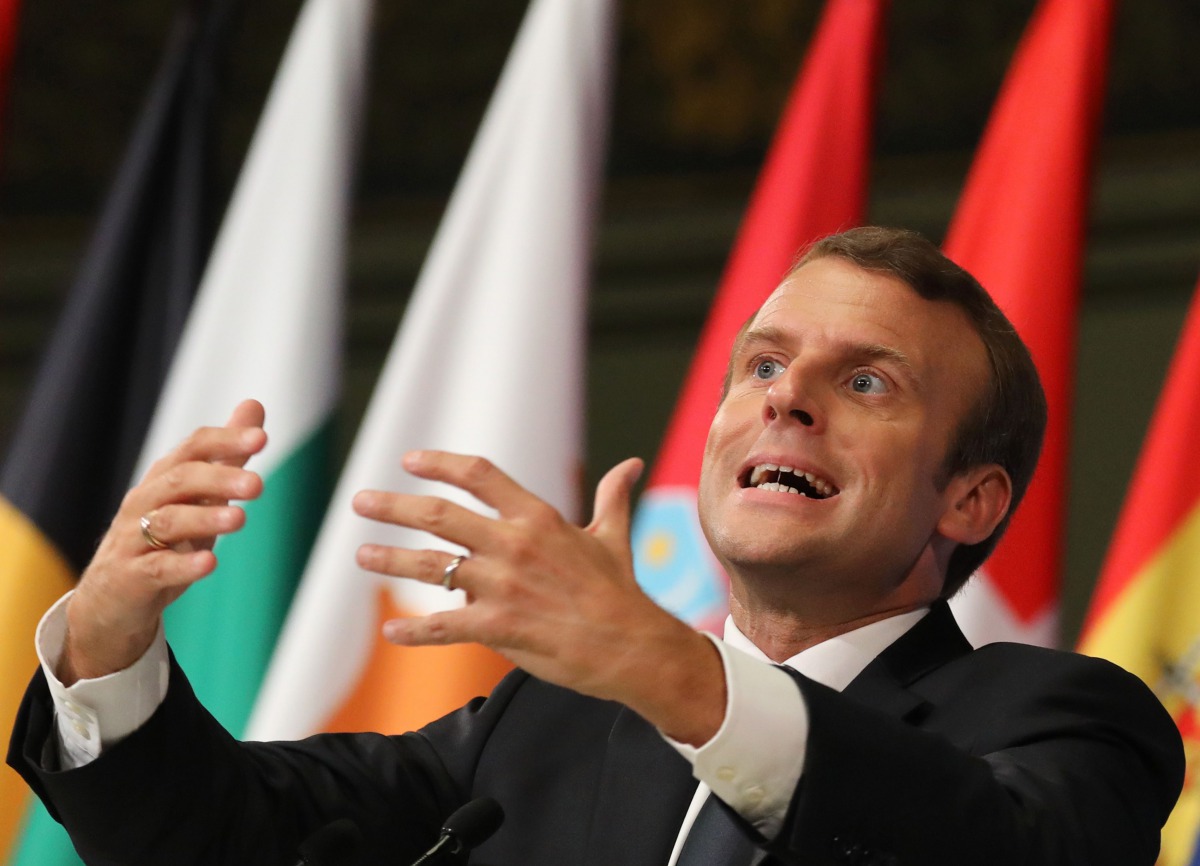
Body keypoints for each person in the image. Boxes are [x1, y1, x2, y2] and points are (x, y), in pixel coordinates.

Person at [8, 227, 1184, 865]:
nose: (786, 399)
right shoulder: (550, 730)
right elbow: (221, 838)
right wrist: (109, 644)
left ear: (970, 500)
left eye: (865, 380)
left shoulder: (1071, 718)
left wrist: (668, 669)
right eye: (763, 365)